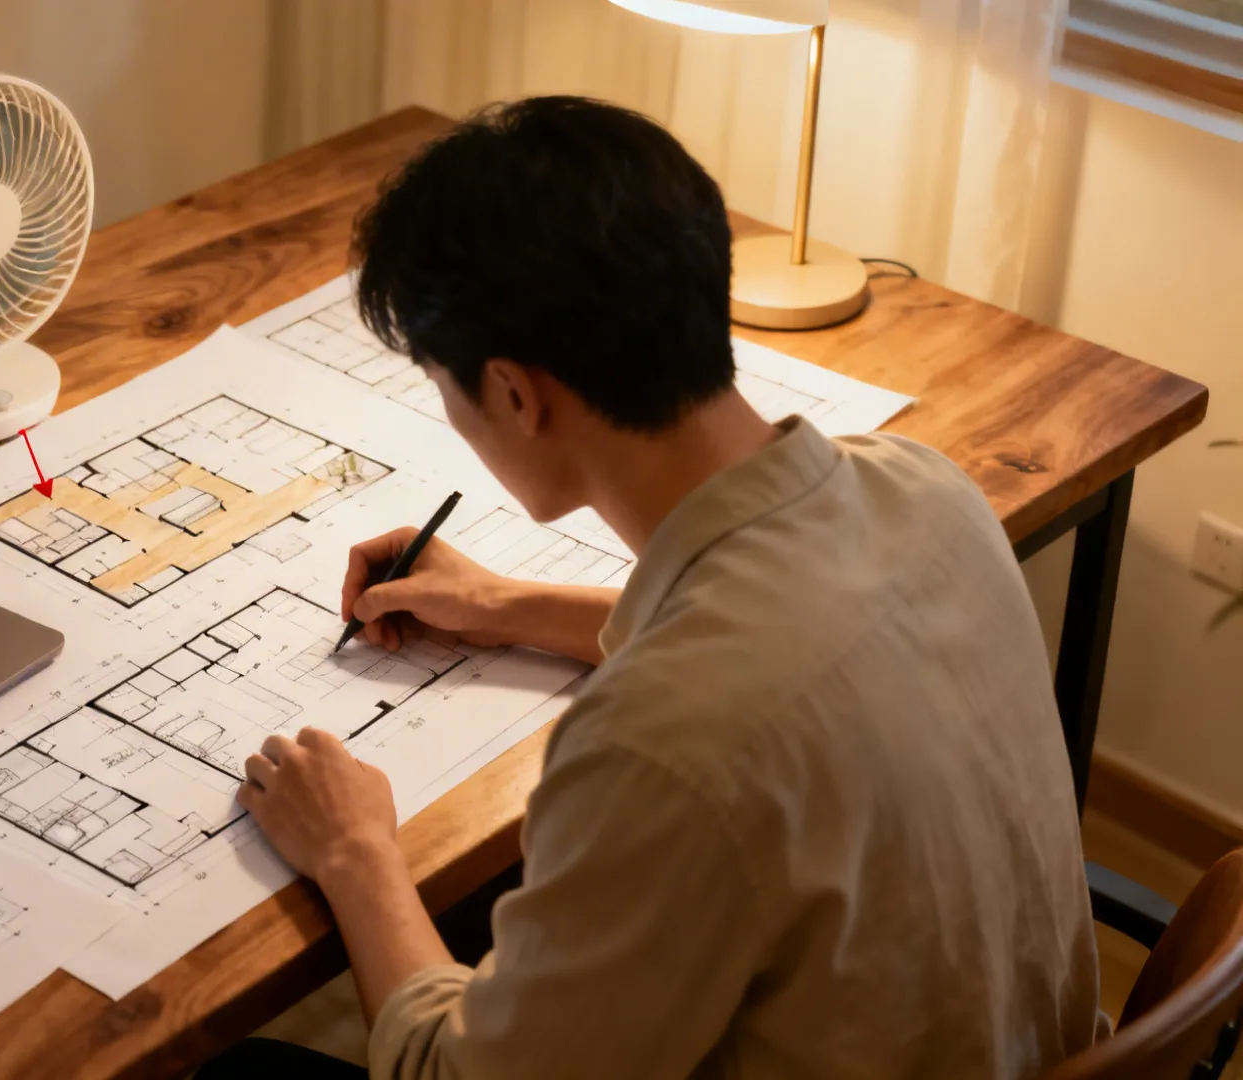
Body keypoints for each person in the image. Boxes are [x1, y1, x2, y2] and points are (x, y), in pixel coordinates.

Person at [201, 97, 1104, 1079]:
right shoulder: (927, 490)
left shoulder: (661, 750)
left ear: (513, 392)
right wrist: (508, 606)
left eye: (444, 385)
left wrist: (355, 853)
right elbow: (782, 642)